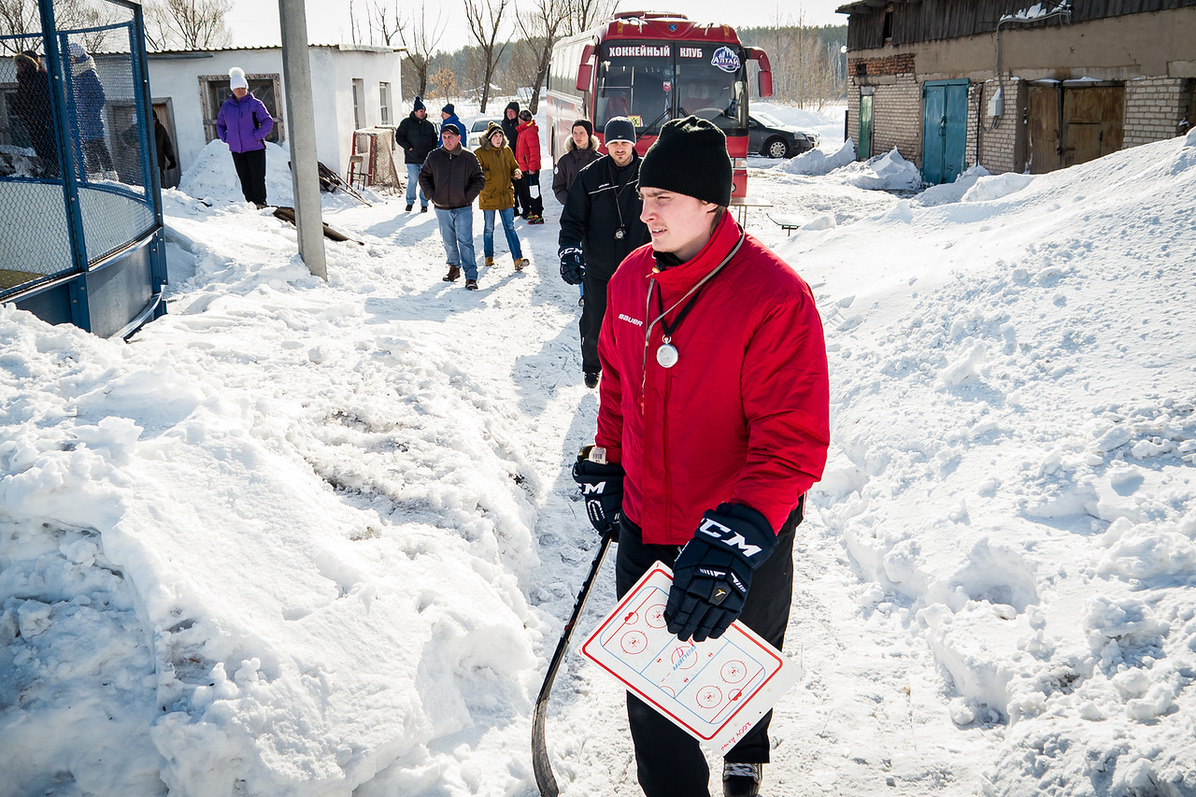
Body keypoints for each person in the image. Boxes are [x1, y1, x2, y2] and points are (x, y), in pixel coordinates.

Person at [569, 116, 830, 797]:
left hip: (740, 529)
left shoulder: (776, 297)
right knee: (653, 689)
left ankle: (745, 751)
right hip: (648, 522)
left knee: (743, 654)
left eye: (663, 198)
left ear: (712, 203)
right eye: (644, 193)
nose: (643, 208)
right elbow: (619, 385)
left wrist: (739, 533)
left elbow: (791, 440)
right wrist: (608, 461)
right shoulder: (630, 279)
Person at [557, 117, 649, 389]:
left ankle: (636, 368)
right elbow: (572, 219)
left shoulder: (650, 174)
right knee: (595, 320)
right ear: (606, 144)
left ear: (633, 143)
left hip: (639, 268)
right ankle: (592, 366)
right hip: (599, 266)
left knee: (637, 323)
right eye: (614, 143)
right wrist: (570, 253)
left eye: (625, 142)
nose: (620, 148)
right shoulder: (590, 176)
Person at [419, 121, 485, 290]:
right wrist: (431, 195)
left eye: (450, 137)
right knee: (448, 241)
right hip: (442, 207)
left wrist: (467, 196)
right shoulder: (434, 156)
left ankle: (471, 276)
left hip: (463, 207)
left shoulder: (468, 157)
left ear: (458, 138)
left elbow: (479, 179)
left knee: (465, 241)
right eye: (444, 137)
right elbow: (423, 176)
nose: (447, 140)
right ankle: (454, 268)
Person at [215, 67, 273, 207]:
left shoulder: (255, 104)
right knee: (244, 178)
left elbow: (268, 122)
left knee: (257, 177)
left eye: (242, 87)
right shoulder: (226, 107)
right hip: (236, 149)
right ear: (232, 89)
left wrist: (256, 136)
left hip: (255, 147)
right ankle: (250, 204)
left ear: (246, 87)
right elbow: (220, 124)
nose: (240, 90)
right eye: (237, 88)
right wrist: (226, 138)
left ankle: (260, 203)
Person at [473, 122, 527, 271]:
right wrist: (490, 175)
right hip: (489, 196)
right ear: (489, 138)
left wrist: (516, 171)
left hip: (506, 195)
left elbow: (513, 165)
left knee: (510, 227)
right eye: (495, 136)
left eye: (500, 135)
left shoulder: (507, 150)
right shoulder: (479, 153)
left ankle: (518, 259)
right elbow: (476, 173)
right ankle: (488, 256)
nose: (498, 138)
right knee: (489, 228)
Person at [67, 43, 115, 179]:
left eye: (71, 56)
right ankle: (95, 173)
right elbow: (72, 98)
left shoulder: (88, 73)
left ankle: (110, 172)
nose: (70, 59)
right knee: (88, 147)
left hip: (90, 119)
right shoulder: (75, 74)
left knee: (98, 145)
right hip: (81, 119)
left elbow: (99, 96)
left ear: (77, 56)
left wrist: (90, 113)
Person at [11, 51, 59, 177]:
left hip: (45, 120)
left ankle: (54, 169)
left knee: (49, 145)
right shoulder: (23, 80)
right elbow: (20, 100)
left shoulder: (40, 77)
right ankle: (47, 168)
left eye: (24, 64)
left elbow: (44, 98)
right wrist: (20, 111)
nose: (20, 67)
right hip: (32, 121)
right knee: (39, 147)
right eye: (19, 64)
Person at [395, 96, 436, 212]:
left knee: (424, 181)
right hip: (411, 158)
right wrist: (408, 147)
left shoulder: (429, 125)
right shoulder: (406, 123)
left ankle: (424, 203)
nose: (423, 113)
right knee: (413, 180)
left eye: (424, 111)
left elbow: (434, 140)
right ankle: (410, 202)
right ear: (415, 112)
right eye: (421, 111)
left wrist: (432, 153)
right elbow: (399, 137)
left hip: (426, 159)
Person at [552, 119, 600, 205]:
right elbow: (558, 187)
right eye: (575, 133)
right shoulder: (564, 161)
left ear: (589, 135)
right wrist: (571, 201)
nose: (578, 137)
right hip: (573, 211)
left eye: (581, 133)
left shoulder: (600, 160)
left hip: (596, 211)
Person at [514, 109, 544, 224]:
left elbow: (534, 152)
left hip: (530, 169)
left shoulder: (529, 131)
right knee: (527, 191)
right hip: (524, 168)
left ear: (521, 119)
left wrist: (531, 168)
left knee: (534, 192)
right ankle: (532, 212)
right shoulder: (524, 130)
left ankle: (538, 214)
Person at [501, 101, 524, 217]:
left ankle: (523, 206)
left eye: (512, 112)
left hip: (518, 158)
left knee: (519, 184)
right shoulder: (503, 125)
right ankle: (513, 207)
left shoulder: (519, 125)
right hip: (505, 159)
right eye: (508, 112)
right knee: (509, 185)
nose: (510, 114)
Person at [152, 110, 177, 187]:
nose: (153, 122)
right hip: (143, 164)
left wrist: (171, 159)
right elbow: (126, 137)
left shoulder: (160, 129)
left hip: (158, 163)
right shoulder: (139, 129)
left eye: (154, 119)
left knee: (160, 186)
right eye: (150, 119)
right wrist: (135, 145)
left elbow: (167, 145)